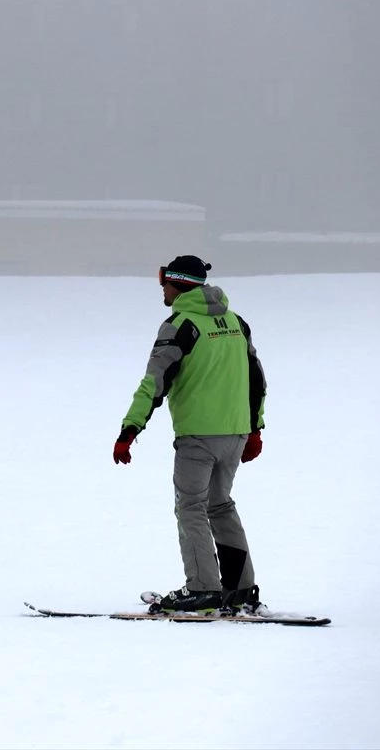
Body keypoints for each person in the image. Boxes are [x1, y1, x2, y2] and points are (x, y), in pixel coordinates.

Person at [113, 255, 267, 615]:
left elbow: (154, 381)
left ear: (178, 284)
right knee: (221, 506)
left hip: (198, 437)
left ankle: (202, 590)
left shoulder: (180, 325)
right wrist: (255, 428)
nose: (161, 290)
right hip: (235, 433)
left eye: (163, 283)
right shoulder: (235, 322)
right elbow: (257, 378)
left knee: (192, 508)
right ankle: (241, 590)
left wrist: (129, 429)